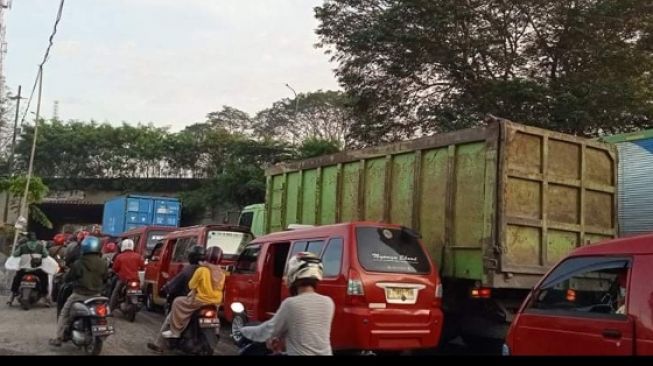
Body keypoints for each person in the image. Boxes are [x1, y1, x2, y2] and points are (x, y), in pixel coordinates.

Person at [239, 252, 335, 356]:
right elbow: (306, 334)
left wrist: (244, 331)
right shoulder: (329, 302)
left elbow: (267, 331)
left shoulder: (291, 304)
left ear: (293, 274)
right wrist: (280, 340)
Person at [147, 246, 225, 354]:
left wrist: (164, 290)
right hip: (214, 303)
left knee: (174, 309)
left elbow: (190, 284)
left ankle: (164, 341)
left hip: (198, 301)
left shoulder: (196, 270)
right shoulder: (221, 272)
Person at [49, 236, 108, 347]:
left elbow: (68, 278)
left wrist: (65, 278)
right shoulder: (103, 263)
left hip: (79, 295)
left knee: (64, 313)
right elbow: (106, 277)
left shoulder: (79, 263)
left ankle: (59, 337)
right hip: (96, 295)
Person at [8, 232, 50, 306]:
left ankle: (11, 296)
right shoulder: (40, 246)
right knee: (44, 278)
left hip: (24, 270)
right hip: (37, 270)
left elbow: (15, 254)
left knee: (16, 279)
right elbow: (46, 255)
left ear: (27, 238)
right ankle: (44, 297)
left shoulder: (22, 246)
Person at [109, 239, 145, 311]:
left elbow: (115, 268)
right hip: (135, 279)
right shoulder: (138, 256)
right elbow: (142, 267)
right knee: (139, 291)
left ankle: (110, 309)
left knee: (115, 292)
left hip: (123, 279)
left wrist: (114, 271)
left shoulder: (119, 256)